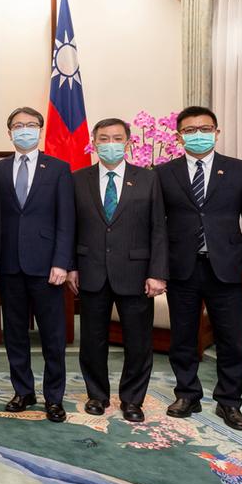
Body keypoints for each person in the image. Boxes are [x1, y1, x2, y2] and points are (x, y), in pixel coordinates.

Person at [157, 106, 242, 431]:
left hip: (228, 268)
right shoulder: (163, 173)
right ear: (178, 136)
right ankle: (187, 393)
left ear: (217, 132)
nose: (198, 135)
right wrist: (158, 268)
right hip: (182, 268)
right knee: (183, 337)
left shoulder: (239, 170)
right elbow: (156, 227)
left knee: (231, 339)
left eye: (204, 129)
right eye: (190, 130)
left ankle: (229, 402)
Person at [68, 118, 168, 423]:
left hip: (137, 273)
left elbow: (159, 229)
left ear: (128, 143)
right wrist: (71, 267)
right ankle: (96, 395)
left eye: (116, 138)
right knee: (92, 340)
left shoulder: (149, 179)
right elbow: (70, 228)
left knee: (138, 341)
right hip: (91, 271)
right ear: (94, 143)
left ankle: (132, 399)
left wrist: (158, 272)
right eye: (103, 138)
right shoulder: (78, 179)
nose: (110, 143)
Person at [0, 106, 75, 423]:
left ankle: (54, 397)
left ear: (40, 130)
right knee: (14, 334)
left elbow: (66, 221)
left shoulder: (58, 169)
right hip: (9, 265)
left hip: (47, 268)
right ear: (9, 131)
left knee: (53, 336)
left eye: (30, 125)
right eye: (18, 125)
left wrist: (61, 263)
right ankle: (23, 391)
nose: (24, 130)